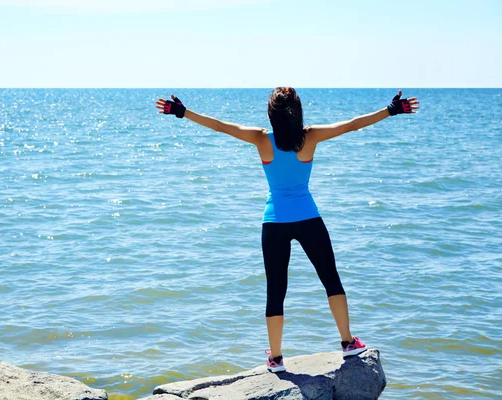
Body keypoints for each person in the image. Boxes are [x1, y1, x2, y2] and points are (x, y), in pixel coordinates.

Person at [155, 88, 419, 373]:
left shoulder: (260, 139)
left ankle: (277, 359)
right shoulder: (311, 136)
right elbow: (353, 124)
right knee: (331, 279)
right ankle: (348, 342)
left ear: (271, 114)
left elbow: (220, 126)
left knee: (276, 290)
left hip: (274, 223)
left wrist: (183, 112)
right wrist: (391, 110)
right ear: (298, 111)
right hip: (308, 218)